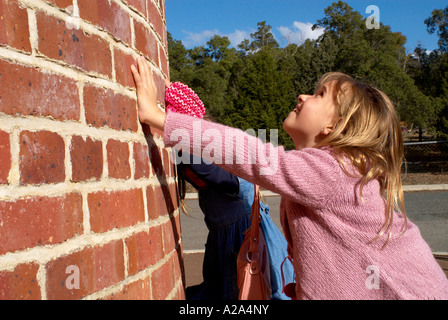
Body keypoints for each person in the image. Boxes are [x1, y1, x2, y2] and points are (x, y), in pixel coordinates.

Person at [131, 56, 448, 299]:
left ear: (333, 127)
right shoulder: (323, 173)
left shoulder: (336, 170)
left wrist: (159, 118)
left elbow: (251, 155)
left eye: (319, 94)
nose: (301, 95)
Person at [162, 80, 294, 300]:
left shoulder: (227, 172)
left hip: (247, 248)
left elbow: (199, 165)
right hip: (225, 250)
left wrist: (173, 116)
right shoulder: (203, 166)